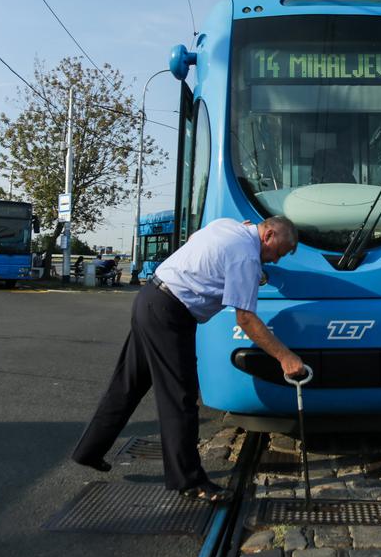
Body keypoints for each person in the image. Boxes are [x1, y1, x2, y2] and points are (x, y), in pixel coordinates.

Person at [71, 215, 304, 502]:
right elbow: (245, 318)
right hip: (171, 313)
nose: (275, 260)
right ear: (268, 235)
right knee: (180, 398)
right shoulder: (246, 257)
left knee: (127, 384)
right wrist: (284, 357)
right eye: (277, 252)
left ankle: (89, 450)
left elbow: (195, 240)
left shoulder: (228, 226)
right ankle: (190, 480)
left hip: (150, 298)